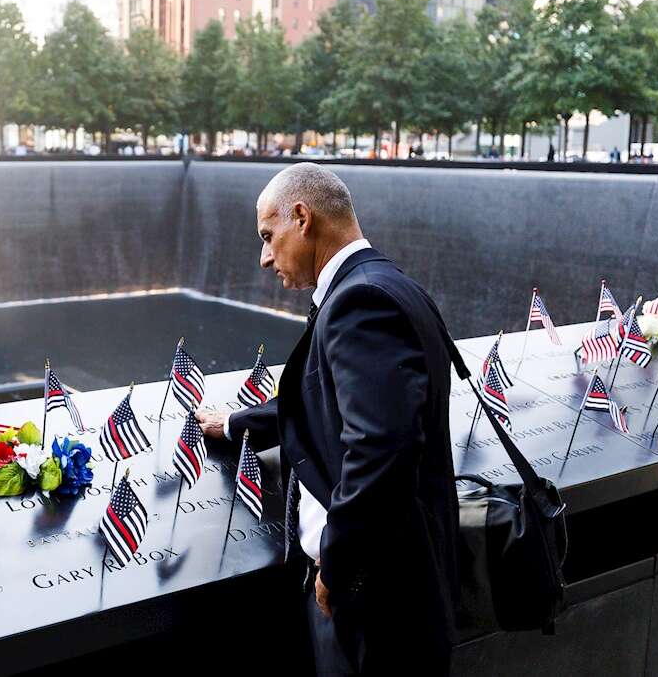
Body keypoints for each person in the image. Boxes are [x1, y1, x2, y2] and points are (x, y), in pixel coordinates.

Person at [196, 163, 460, 675]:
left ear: (302, 217)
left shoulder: (359, 303)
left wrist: (337, 565)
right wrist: (235, 425)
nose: (264, 256)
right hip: (394, 586)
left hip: (375, 599)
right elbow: (330, 399)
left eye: (269, 236)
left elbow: (383, 447)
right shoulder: (388, 283)